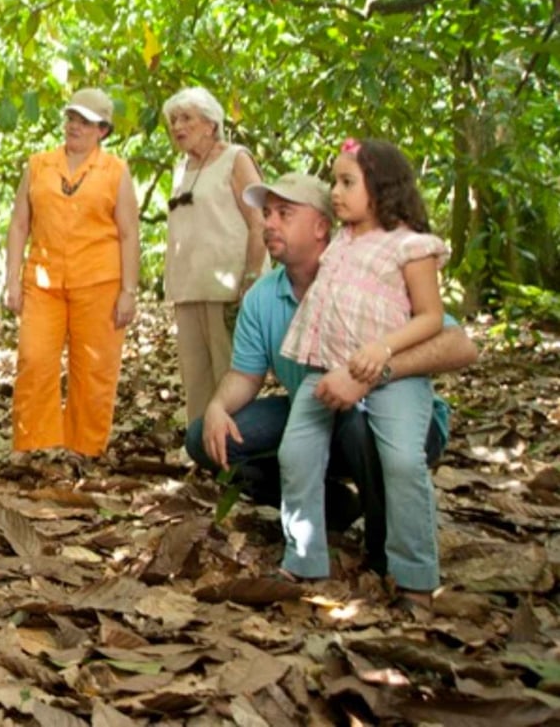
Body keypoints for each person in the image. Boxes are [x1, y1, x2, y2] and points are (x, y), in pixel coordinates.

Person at [185, 171, 475, 586]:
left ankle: (387, 550)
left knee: (360, 421)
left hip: (386, 413)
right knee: (205, 439)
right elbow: (245, 375)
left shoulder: (371, 275)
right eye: (266, 214)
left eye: (284, 213)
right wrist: (216, 407)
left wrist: (374, 372)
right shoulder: (263, 296)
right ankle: (334, 508)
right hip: (313, 410)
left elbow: (459, 345)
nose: (269, 224)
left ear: (322, 226)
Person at [275, 139, 449, 605]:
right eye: (335, 180)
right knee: (296, 453)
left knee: (401, 461)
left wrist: (382, 350)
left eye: (348, 182)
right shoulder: (341, 241)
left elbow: (431, 317)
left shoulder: (412, 247)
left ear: (383, 188)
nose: (335, 191)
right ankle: (305, 558)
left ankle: (414, 573)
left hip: (390, 373)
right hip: (327, 366)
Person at [4, 88, 141, 458]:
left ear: (103, 130)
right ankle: (37, 448)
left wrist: (129, 290)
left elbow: (129, 232)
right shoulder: (38, 165)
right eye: (71, 119)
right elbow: (19, 225)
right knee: (34, 361)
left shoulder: (115, 171)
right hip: (44, 282)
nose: (74, 127)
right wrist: (11, 279)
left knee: (94, 371)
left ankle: (85, 451)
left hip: (99, 282)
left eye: (85, 122)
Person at [162, 86, 267, 422]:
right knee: (196, 379)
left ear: (210, 123)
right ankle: (201, 451)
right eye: (174, 119)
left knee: (231, 375)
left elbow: (259, 221)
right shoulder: (181, 168)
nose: (178, 126)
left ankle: (236, 455)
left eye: (186, 118)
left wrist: (251, 277)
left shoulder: (235, 158)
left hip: (229, 287)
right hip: (188, 287)